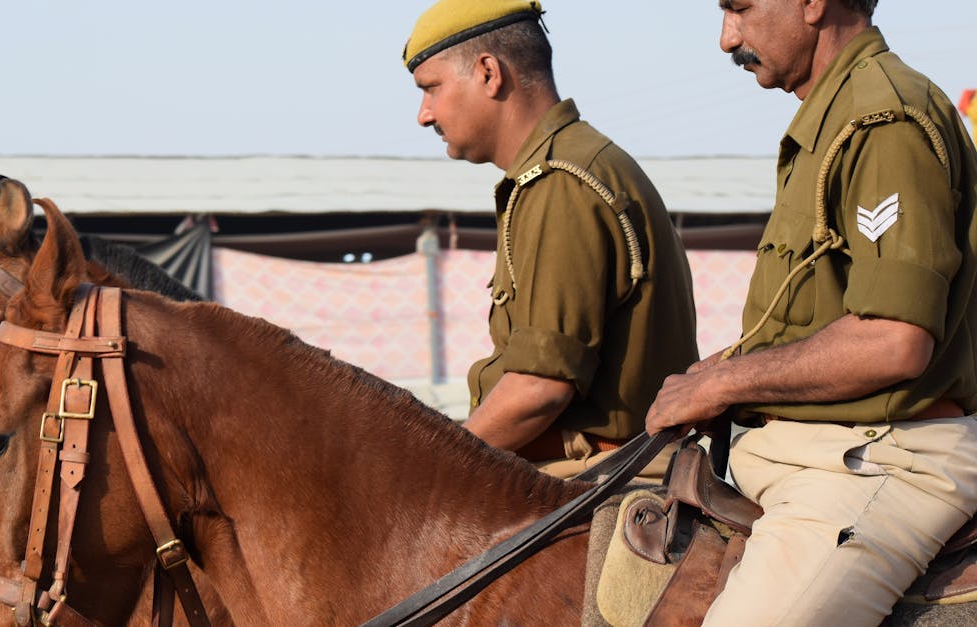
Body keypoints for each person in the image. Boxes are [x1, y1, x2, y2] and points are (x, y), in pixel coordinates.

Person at [646, 0, 977, 624]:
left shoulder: (883, 118)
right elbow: (811, 326)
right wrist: (707, 375)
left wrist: (723, 381)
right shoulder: (830, 119)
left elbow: (894, 340)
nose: (726, 38)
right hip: (807, 452)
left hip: (882, 460)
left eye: (739, 8)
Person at [404, 0, 699, 479]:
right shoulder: (570, 163)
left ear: (488, 73)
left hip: (600, 478)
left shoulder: (560, 180)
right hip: (597, 469)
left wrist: (431, 471)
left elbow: (539, 388)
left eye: (431, 89)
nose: (424, 114)